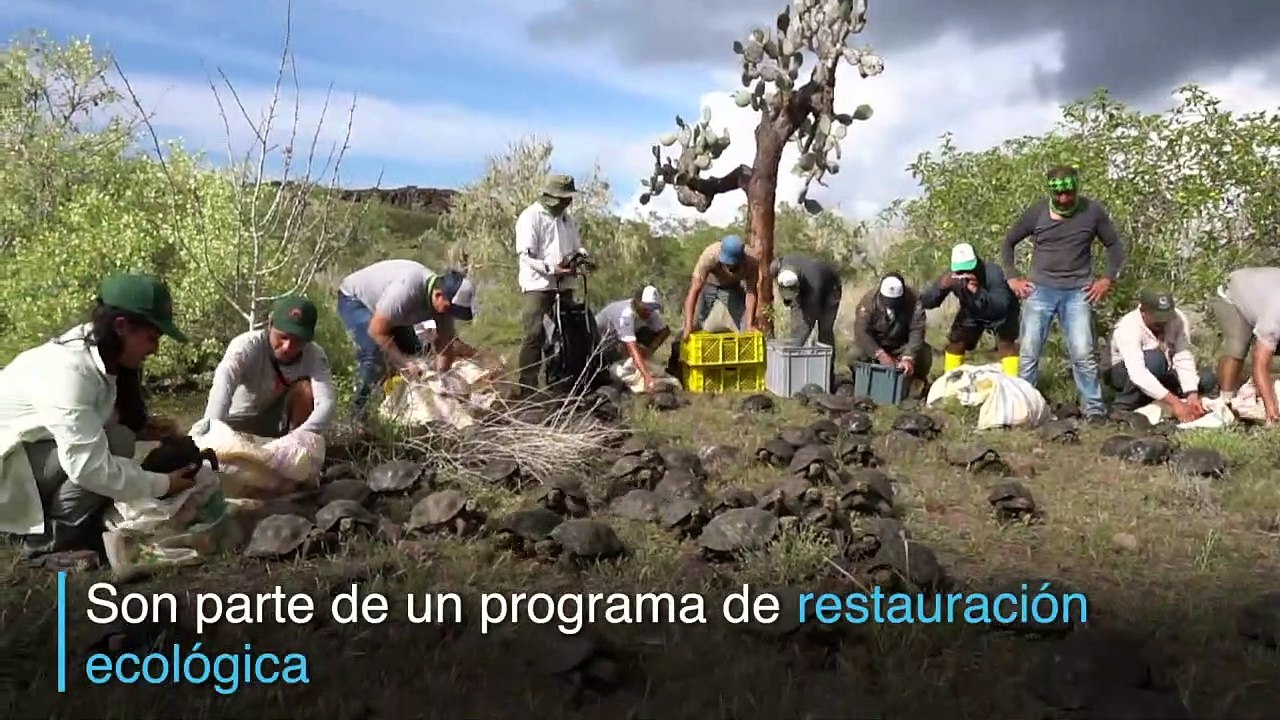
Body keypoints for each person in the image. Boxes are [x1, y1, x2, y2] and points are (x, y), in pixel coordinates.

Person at [0, 273, 198, 564]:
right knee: (111, 447)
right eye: (151, 338)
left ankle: (69, 523)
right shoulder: (69, 372)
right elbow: (87, 467)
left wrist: (152, 432)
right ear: (121, 326)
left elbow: (96, 418)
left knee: (120, 439)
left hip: (27, 456)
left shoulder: (98, 355)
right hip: (7, 470)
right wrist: (164, 484)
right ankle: (48, 543)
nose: (154, 349)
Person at [1001, 165, 1126, 422]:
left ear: (1076, 189)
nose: (1064, 199)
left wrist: (1106, 279)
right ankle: (1025, 407)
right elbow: (1009, 242)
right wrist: (1012, 276)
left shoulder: (1092, 211)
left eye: (1069, 193)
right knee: (1029, 352)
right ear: (1051, 193)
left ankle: (1093, 409)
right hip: (1040, 289)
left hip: (1078, 291)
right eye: (1059, 195)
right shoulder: (1037, 211)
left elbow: (1114, 245)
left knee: (1083, 352)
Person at [336, 259, 478, 417]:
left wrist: (442, 379)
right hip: (356, 300)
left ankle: (392, 380)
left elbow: (445, 346)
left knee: (420, 344)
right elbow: (376, 331)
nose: (451, 314)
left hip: (393, 315)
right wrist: (404, 363)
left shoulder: (444, 309)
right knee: (374, 352)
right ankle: (358, 414)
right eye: (451, 309)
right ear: (438, 295)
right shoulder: (407, 290)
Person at [198, 296, 337, 438]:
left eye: (297, 341)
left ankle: (295, 444)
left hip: (272, 426)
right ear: (270, 325)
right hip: (233, 421)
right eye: (282, 337)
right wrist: (212, 429)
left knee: (305, 389)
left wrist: (298, 437)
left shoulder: (314, 355)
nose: (287, 346)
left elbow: (326, 402)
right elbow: (224, 379)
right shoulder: (247, 345)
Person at [514, 173, 586, 394]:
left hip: (564, 285)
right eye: (564, 199)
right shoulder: (531, 217)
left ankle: (559, 382)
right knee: (534, 335)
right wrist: (550, 269)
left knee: (564, 335)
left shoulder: (566, 219)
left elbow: (575, 246)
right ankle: (527, 388)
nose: (567, 203)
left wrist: (581, 258)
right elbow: (526, 255)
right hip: (538, 285)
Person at [1106, 290, 1215, 421]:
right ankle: (1123, 406)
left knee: (1206, 379)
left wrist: (1192, 393)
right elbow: (1138, 373)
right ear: (1143, 312)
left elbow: (1183, 355)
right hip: (1125, 373)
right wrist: (1175, 402)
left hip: (1162, 370)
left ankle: (1157, 398)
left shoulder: (1178, 319)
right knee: (1155, 359)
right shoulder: (1128, 327)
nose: (1163, 322)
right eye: (1157, 318)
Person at [920, 242, 1020, 377]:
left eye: (969, 269)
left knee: (1006, 344)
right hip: (972, 311)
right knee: (956, 343)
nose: (965, 274)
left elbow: (1002, 305)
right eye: (960, 271)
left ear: (977, 262)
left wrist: (977, 292)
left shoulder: (993, 273)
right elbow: (927, 302)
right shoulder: (951, 276)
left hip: (1000, 312)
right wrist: (940, 288)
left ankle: (1013, 384)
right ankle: (951, 381)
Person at [1210, 266, 1280, 424]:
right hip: (1233, 296)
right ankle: (1225, 401)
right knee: (1237, 347)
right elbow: (1260, 363)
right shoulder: (1275, 317)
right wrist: (1271, 411)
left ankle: (1261, 390)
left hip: (1262, 294)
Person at [851, 273, 933, 392]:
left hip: (900, 344)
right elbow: (861, 330)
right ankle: (860, 382)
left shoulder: (914, 300)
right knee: (854, 353)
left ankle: (912, 385)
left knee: (925, 353)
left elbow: (917, 330)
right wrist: (879, 354)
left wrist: (908, 357)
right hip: (877, 343)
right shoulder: (869, 301)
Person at [682, 234, 760, 337]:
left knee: (744, 326)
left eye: (734, 266)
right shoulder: (710, 255)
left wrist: (750, 324)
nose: (731, 269)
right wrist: (688, 324)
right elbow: (694, 291)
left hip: (732, 288)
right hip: (708, 285)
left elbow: (751, 292)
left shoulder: (751, 261)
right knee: (694, 325)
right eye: (728, 265)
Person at [595, 286, 671, 391]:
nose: (649, 312)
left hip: (621, 342)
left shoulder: (649, 312)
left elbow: (665, 331)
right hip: (601, 345)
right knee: (616, 371)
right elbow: (632, 347)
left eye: (652, 308)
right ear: (636, 302)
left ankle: (635, 364)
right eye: (646, 308)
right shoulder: (625, 313)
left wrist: (650, 350)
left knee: (646, 332)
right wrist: (647, 377)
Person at [769, 254, 842, 348]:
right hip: (806, 283)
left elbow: (808, 319)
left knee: (825, 329)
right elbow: (792, 304)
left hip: (831, 289)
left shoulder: (814, 286)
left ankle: (826, 360)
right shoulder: (780, 266)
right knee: (796, 326)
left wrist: (795, 344)